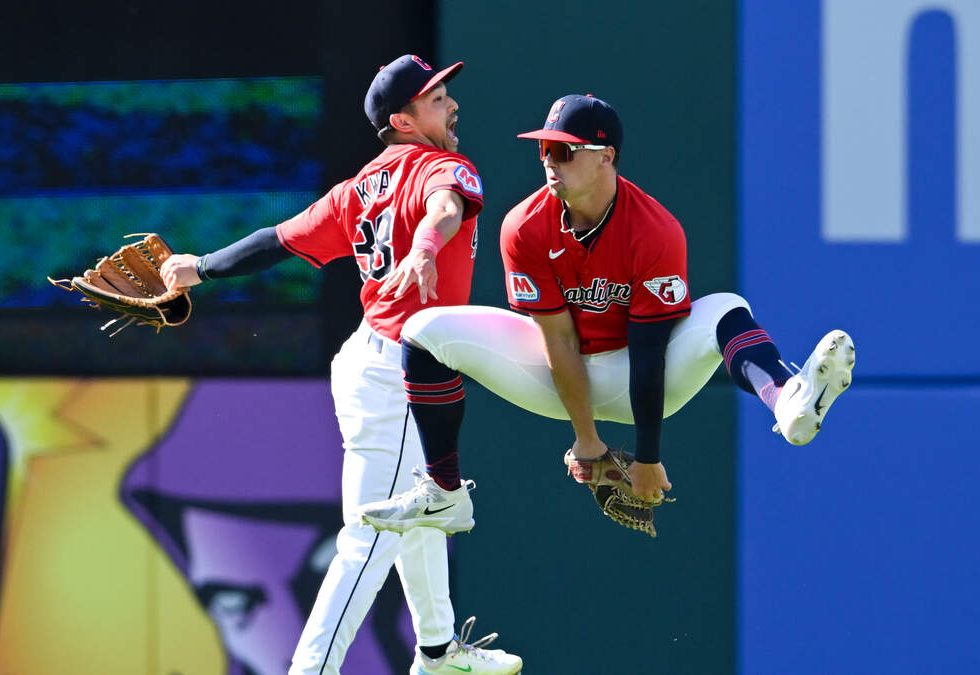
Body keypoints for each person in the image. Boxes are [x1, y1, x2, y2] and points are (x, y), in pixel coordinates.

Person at [159, 54, 522, 675]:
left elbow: (276, 240)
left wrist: (200, 267)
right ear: (403, 120)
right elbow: (443, 208)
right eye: (436, 99)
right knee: (370, 536)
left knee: (424, 504)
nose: (452, 105)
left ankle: (438, 651)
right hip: (400, 372)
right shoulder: (445, 166)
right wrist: (428, 244)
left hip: (373, 359)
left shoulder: (359, 189)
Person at [358, 94, 855, 534]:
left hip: (642, 377)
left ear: (606, 157)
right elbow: (559, 342)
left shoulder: (655, 230)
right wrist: (588, 442)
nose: (550, 162)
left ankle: (786, 398)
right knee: (422, 331)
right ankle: (444, 494)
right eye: (544, 150)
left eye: (565, 150)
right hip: (554, 377)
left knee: (727, 307)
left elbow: (649, 352)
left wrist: (647, 457)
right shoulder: (523, 227)